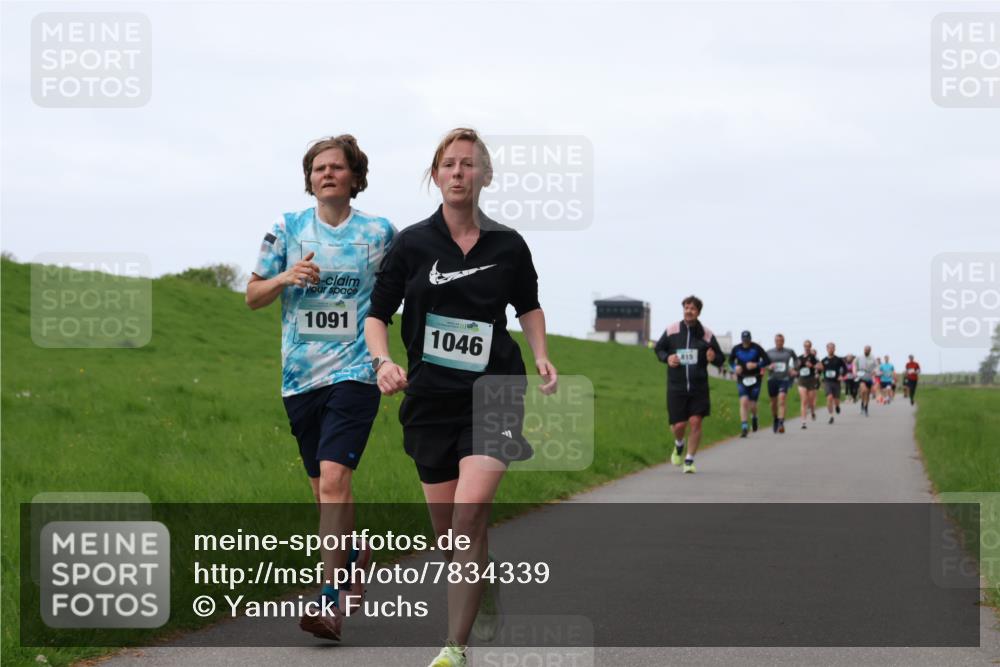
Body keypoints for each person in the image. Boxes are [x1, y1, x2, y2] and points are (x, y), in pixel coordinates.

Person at [365, 128, 558, 667]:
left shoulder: (508, 245)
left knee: (470, 513)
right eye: (447, 164)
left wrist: (540, 352)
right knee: (449, 538)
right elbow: (377, 315)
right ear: (434, 175)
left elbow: (529, 306)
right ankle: (485, 583)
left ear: (485, 176)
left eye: (468, 164)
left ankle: (454, 647)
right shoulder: (412, 243)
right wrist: (384, 362)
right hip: (429, 399)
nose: (457, 172)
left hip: (494, 389)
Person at [247, 135, 395, 641]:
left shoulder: (379, 233)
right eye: (318, 168)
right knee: (323, 490)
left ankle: (328, 600)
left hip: (356, 372)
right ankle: (354, 554)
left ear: (355, 177)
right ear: (309, 178)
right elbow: (252, 296)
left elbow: (401, 292)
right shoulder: (286, 228)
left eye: (337, 167)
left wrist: (389, 358)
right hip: (299, 379)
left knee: (335, 479)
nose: (326, 174)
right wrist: (286, 277)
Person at [654, 295, 726, 472]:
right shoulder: (672, 330)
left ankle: (689, 460)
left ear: (698, 312)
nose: (689, 311)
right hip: (676, 385)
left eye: (692, 308)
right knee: (678, 425)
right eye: (686, 307)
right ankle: (679, 444)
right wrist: (667, 357)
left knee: (695, 422)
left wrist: (713, 357)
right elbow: (659, 349)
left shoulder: (706, 334)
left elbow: (721, 358)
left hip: (698, 387)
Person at [729, 331, 771, 438]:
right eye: (744, 340)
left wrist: (756, 364)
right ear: (741, 339)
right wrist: (735, 367)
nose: (746, 342)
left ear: (750, 339)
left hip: (755, 378)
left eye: (747, 340)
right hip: (742, 378)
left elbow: (767, 360)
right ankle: (744, 427)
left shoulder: (756, 348)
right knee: (743, 402)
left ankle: (754, 417)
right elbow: (730, 361)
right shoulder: (736, 348)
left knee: (752, 404)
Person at [765, 333, 798, 434]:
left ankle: (781, 422)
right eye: (777, 341)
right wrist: (768, 367)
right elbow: (763, 363)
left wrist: (794, 368)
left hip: (784, 379)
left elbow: (796, 360)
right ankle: (775, 418)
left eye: (781, 341)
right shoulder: (769, 352)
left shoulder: (789, 351)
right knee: (773, 403)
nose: (779, 342)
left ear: (783, 341)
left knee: (782, 400)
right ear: (775, 341)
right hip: (772, 379)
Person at [818, 342, 848, 424]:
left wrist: (842, 376)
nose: (831, 349)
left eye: (832, 348)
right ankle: (831, 416)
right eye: (829, 348)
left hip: (836, 382)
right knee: (829, 397)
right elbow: (820, 371)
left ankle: (837, 406)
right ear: (827, 349)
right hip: (827, 382)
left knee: (836, 400)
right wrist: (818, 373)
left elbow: (845, 369)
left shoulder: (838, 360)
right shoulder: (824, 360)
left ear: (834, 349)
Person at [795, 340, 821, 429]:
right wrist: (797, 367)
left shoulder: (814, 357)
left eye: (808, 346)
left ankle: (813, 412)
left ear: (810, 347)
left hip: (811, 380)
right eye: (805, 346)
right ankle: (803, 422)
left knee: (811, 402)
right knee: (804, 400)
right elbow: (795, 367)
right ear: (803, 347)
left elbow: (820, 367)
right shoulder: (799, 357)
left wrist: (812, 366)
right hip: (802, 380)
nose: (807, 348)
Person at [856, 345, 878, 416]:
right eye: (865, 350)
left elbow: (877, 366)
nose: (866, 351)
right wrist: (855, 371)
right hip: (861, 376)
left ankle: (865, 407)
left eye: (867, 350)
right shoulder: (859, 357)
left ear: (870, 351)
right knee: (863, 391)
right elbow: (854, 364)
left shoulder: (873, 358)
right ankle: (862, 404)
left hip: (869, 377)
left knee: (867, 394)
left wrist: (875, 371)